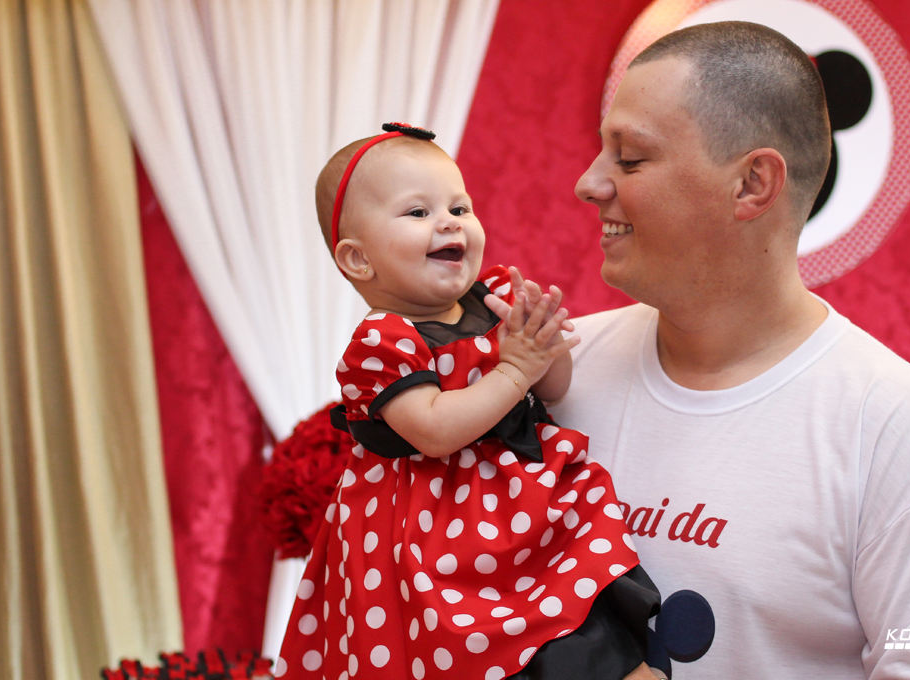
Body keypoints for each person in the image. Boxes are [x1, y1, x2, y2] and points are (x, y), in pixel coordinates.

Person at [551, 21, 910, 678]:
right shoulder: (555, 373)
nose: (590, 184)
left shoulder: (894, 428)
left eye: (630, 159)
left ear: (752, 184)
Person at [274, 123, 660, 680]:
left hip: (522, 509)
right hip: (432, 532)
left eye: (460, 206)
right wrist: (514, 366)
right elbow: (434, 429)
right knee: (468, 645)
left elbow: (554, 389)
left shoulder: (492, 299)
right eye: (418, 213)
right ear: (358, 260)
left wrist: (542, 344)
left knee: (581, 615)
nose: (449, 221)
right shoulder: (383, 342)